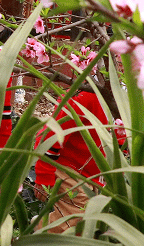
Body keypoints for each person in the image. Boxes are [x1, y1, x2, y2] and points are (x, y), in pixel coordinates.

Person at [34, 86, 112, 234]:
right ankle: (36, 243)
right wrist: (44, 173)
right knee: (78, 215)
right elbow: (52, 133)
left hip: (90, 172)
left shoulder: (122, 98)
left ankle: (44, 227)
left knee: (88, 218)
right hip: (65, 165)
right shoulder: (84, 96)